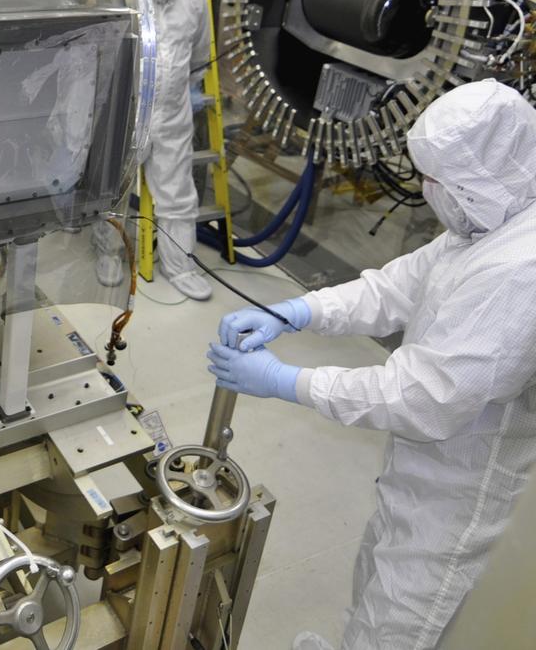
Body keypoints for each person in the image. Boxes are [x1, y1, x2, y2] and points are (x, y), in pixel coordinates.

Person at [206, 79, 536, 650]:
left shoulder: (519, 269)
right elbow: (398, 286)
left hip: (460, 490)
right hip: (419, 470)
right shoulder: (489, 219)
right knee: (375, 572)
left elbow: (423, 397)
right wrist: (298, 311)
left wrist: (291, 382)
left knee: (402, 618)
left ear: (479, 179)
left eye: (438, 180)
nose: (428, 190)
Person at [95, 0, 212, 299]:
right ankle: (110, 253)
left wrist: (190, 88)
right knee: (113, 189)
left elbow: (200, 52)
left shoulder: (194, 0)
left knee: (178, 194)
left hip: (174, 115)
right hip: (129, 115)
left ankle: (180, 266)